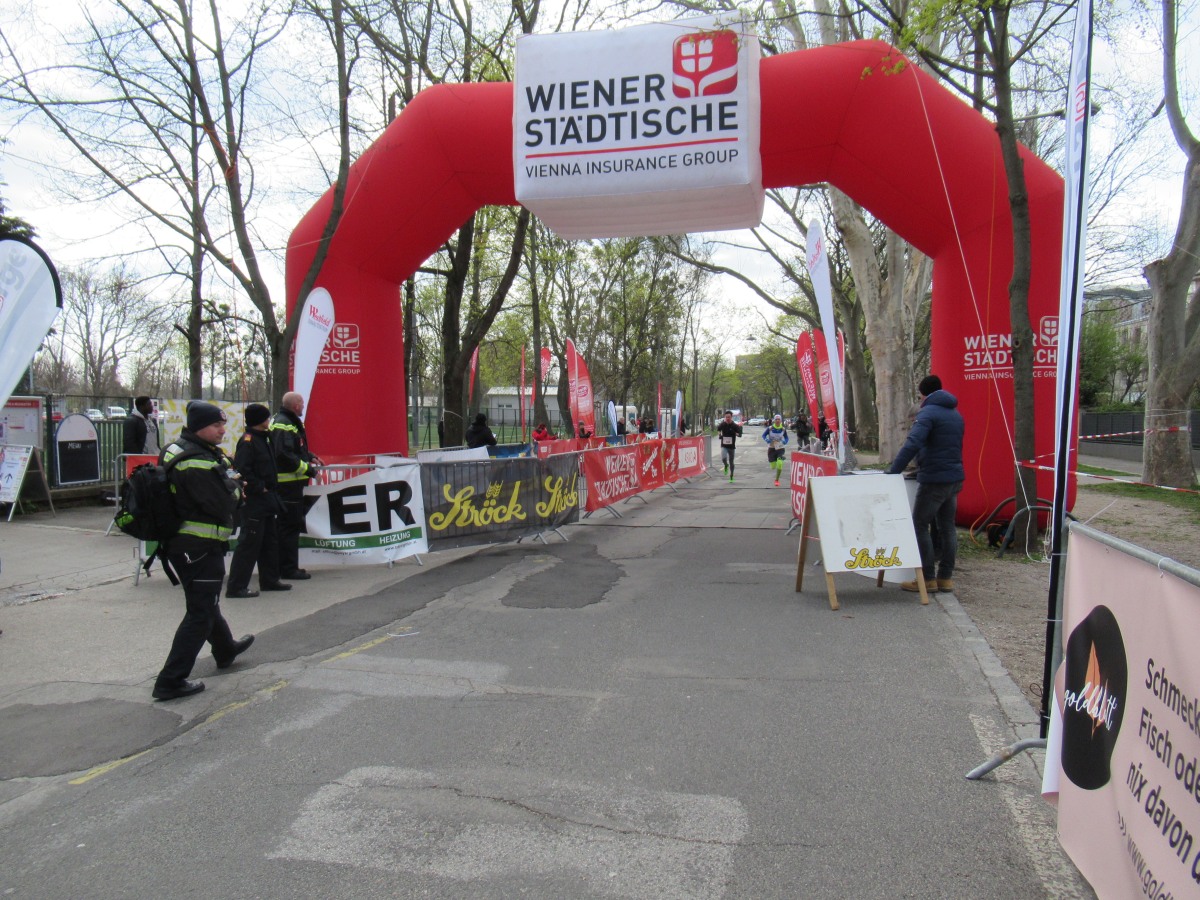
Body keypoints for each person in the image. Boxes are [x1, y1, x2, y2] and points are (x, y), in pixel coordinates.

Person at [152, 401, 253, 701]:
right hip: (198, 546)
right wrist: (237, 487)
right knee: (200, 612)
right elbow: (221, 503)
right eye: (216, 425)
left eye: (223, 424)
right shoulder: (197, 461)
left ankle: (225, 648)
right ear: (199, 427)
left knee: (205, 602)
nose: (223, 430)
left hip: (183, 545)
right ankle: (170, 680)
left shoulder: (178, 449)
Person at [886, 374, 965, 594]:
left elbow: (913, 442)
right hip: (954, 477)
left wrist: (894, 470)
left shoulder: (927, 413)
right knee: (947, 527)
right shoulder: (955, 414)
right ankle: (945, 578)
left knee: (920, 525)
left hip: (934, 480)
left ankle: (927, 578)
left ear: (923, 394)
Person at [226, 404, 291, 599]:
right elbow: (243, 469)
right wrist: (258, 486)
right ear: (259, 420)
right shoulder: (248, 441)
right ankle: (237, 586)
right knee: (249, 543)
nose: (269, 419)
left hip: (268, 498)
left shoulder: (264, 438)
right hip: (255, 500)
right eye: (266, 417)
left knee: (270, 541)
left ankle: (270, 580)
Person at [270, 392, 323, 581]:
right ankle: (287, 568)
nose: (303, 406)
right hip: (288, 485)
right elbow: (284, 455)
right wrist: (308, 470)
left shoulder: (288, 422)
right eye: (302, 403)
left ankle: (287, 567)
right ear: (295, 405)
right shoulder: (284, 423)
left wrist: (310, 456)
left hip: (291, 485)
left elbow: (295, 449)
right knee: (289, 528)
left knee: (290, 527)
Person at [762, 414, 790, 486]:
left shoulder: (783, 429)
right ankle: (780, 459)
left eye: (779, 419)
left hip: (780, 448)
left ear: (780, 420)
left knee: (779, 464)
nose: (777, 421)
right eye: (776, 419)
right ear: (774, 420)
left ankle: (777, 480)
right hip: (771, 448)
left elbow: (786, 438)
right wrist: (767, 440)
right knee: (773, 467)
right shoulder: (770, 428)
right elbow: (763, 435)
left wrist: (785, 441)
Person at [715, 410, 742, 483]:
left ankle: (731, 476)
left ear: (731, 417)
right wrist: (719, 435)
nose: (727, 418)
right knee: (723, 458)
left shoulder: (734, 425)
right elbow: (718, 429)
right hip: (724, 445)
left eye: (729, 417)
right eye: (726, 417)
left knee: (731, 462)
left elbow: (740, 434)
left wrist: (735, 433)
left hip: (732, 447)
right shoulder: (723, 424)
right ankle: (726, 465)